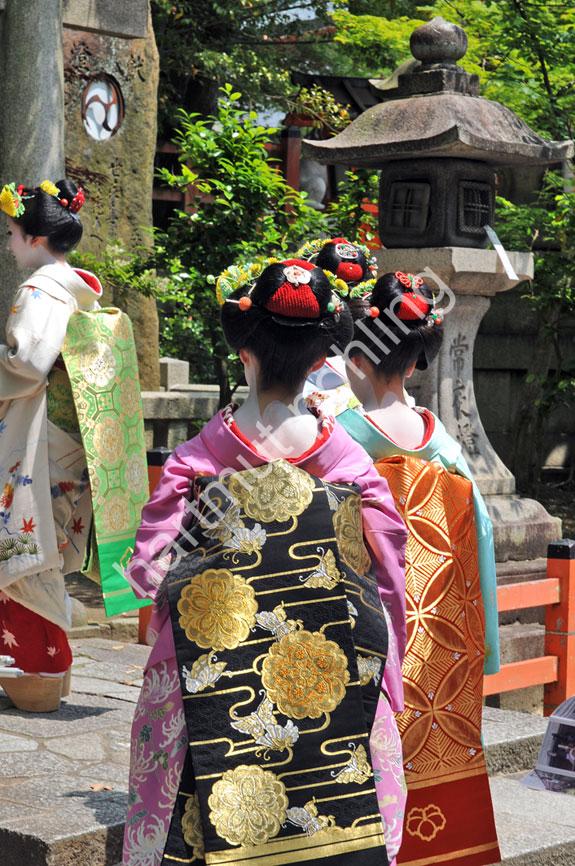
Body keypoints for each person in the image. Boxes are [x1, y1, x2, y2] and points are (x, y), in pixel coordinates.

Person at [122, 258, 408, 866]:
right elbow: (389, 578)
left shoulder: (196, 464)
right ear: (317, 362)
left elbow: (148, 574)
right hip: (331, 677)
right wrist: (391, 676)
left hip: (206, 683)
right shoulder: (353, 466)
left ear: (244, 354)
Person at [339, 272, 501, 866]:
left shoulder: (342, 445)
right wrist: (486, 646)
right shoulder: (448, 451)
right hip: (441, 649)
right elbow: (479, 546)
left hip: (367, 638)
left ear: (358, 359)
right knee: (442, 757)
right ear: (414, 365)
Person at [0, 179, 147, 712]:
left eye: (13, 234)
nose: (10, 244)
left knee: (27, 549)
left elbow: (27, 364)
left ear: (36, 238)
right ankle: (51, 667)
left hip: (41, 439)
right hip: (72, 437)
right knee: (47, 546)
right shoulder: (80, 289)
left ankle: (39, 670)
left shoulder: (40, 291)